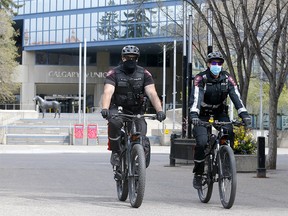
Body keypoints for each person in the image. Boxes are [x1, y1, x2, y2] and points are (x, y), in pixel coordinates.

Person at [189, 51, 251, 189]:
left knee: (229, 132)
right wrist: (193, 115)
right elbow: (196, 98)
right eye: (213, 63)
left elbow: (236, 96)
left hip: (219, 111)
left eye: (219, 63)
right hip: (201, 114)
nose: (216, 65)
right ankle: (198, 173)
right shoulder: (201, 78)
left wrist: (244, 114)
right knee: (202, 142)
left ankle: (227, 164)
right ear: (208, 64)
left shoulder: (227, 78)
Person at [101, 45, 166, 169]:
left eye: (133, 57)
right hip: (118, 108)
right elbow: (108, 92)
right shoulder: (114, 73)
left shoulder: (144, 73)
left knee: (141, 132)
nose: (130, 60)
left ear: (137, 59)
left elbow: (152, 93)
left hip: (136, 110)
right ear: (122, 58)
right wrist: (105, 108)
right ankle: (116, 152)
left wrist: (160, 111)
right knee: (114, 123)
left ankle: (138, 161)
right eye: (127, 57)